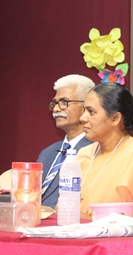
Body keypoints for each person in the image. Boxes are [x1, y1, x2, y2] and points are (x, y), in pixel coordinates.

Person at [77, 83, 133, 223]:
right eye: (83, 110)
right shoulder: (83, 154)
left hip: (115, 236)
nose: (82, 118)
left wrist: (94, 220)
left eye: (91, 111)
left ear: (115, 118)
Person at [37, 74, 95, 209]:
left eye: (64, 102)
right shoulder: (47, 153)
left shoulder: (95, 150)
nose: (56, 109)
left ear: (86, 106)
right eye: (55, 103)